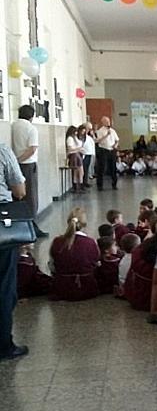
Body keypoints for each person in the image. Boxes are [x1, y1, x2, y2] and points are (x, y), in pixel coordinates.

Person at [0, 142, 29, 360]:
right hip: (2, 225)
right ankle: (3, 345)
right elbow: (20, 190)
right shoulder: (2, 150)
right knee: (4, 285)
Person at [48, 208, 100, 301]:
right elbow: (95, 263)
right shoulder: (91, 242)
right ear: (84, 224)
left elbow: (52, 266)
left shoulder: (57, 241)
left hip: (61, 288)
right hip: (87, 288)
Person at [10, 105, 47, 237]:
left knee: (16, 196)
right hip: (28, 165)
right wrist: (19, 160)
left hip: (14, 165)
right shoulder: (31, 128)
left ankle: (17, 227)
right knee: (30, 197)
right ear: (31, 116)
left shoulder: (13, 126)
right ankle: (31, 228)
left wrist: (15, 161)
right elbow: (32, 149)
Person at [95, 117, 119, 191]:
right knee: (102, 168)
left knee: (113, 168)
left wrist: (116, 145)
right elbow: (98, 141)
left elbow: (117, 140)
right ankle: (100, 185)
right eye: (106, 121)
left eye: (109, 121)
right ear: (103, 122)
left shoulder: (113, 130)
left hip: (112, 150)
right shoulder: (100, 131)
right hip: (103, 150)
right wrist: (106, 135)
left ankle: (114, 184)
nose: (108, 123)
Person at [65, 126, 85, 193]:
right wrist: (79, 149)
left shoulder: (75, 138)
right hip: (73, 155)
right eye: (75, 131)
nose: (76, 133)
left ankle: (80, 185)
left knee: (80, 171)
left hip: (78, 154)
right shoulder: (70, 138)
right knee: (76, 172)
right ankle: (76, 187)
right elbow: (70, 148)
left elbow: (80, 144)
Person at [80, 123, 95, 188]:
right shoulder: (82, 136)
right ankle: (82, 183)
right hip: (84, 154)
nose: (89, 130)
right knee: (83, 168)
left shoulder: (88, 136)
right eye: (88, 128)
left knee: (87, 168)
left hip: (89, 153)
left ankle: (85, 181)